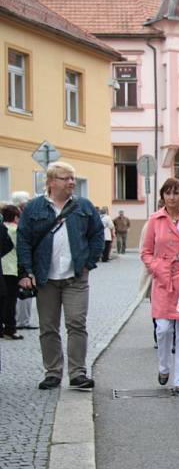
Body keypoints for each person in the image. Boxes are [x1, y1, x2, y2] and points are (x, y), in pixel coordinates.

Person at [17, 161, 104, 390]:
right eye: (67, 178)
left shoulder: (84, 206)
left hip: (76, 277)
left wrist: (88, 262)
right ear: (52, 182)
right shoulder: (34, 208)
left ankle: (77, 373)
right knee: (48, 327)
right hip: (45, 278)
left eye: (73, 178)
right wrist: (26, 271)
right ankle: (53, 372)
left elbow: (97, 234)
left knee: (77, 324)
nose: (72, 182)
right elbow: (24, 240)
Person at [140, 178, 179, 394]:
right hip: (163, 281)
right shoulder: (155, 219)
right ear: (163, 196)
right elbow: (145, 252)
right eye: (168, 193)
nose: (172, 197)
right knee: (162, 329)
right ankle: (163, 367)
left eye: (176, 193)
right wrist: (158, 268)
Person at [12, 191, 36, 331]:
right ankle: (22, 321)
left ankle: (21, 320)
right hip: (19, 262)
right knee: (23, 292)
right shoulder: (19, 220)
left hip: (19, 261)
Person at [0, 207, 16, 339]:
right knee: (10, 300)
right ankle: (9, 328)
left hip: (3, 269)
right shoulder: (14, 230)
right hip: (11, 268)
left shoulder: (3, 226)